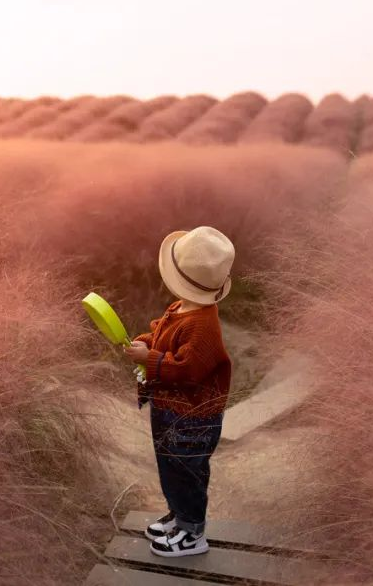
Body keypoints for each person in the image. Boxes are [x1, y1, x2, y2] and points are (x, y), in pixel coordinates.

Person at [123, 226, 234, 558]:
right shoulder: (182, 307)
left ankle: (193, 533)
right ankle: (179, 516)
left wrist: (151, 359)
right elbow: (160, 332)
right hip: (170, 410)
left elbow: (187, 369)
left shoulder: (203, 326)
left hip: (192, 417)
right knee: (171, 468)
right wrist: (145, 342)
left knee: (187, 470)